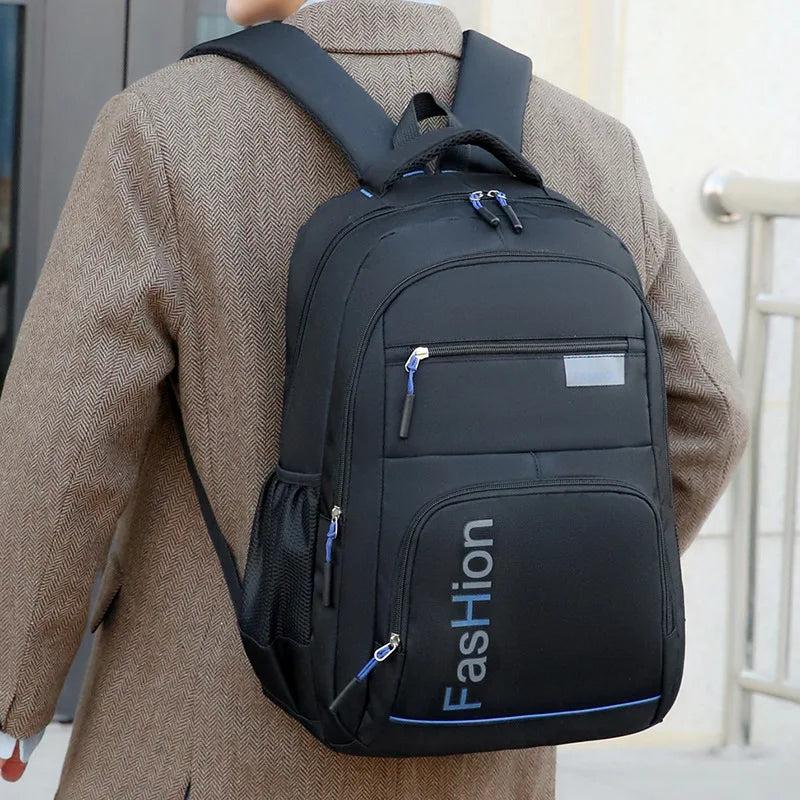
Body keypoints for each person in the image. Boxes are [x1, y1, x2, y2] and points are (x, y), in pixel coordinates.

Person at [0, 0, 748, 797]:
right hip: (481, 750)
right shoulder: (592, 144)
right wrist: (525, 582)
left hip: (214, 743)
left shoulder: (167, 130)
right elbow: (712, 415)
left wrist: (16, 695)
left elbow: (58, 447)